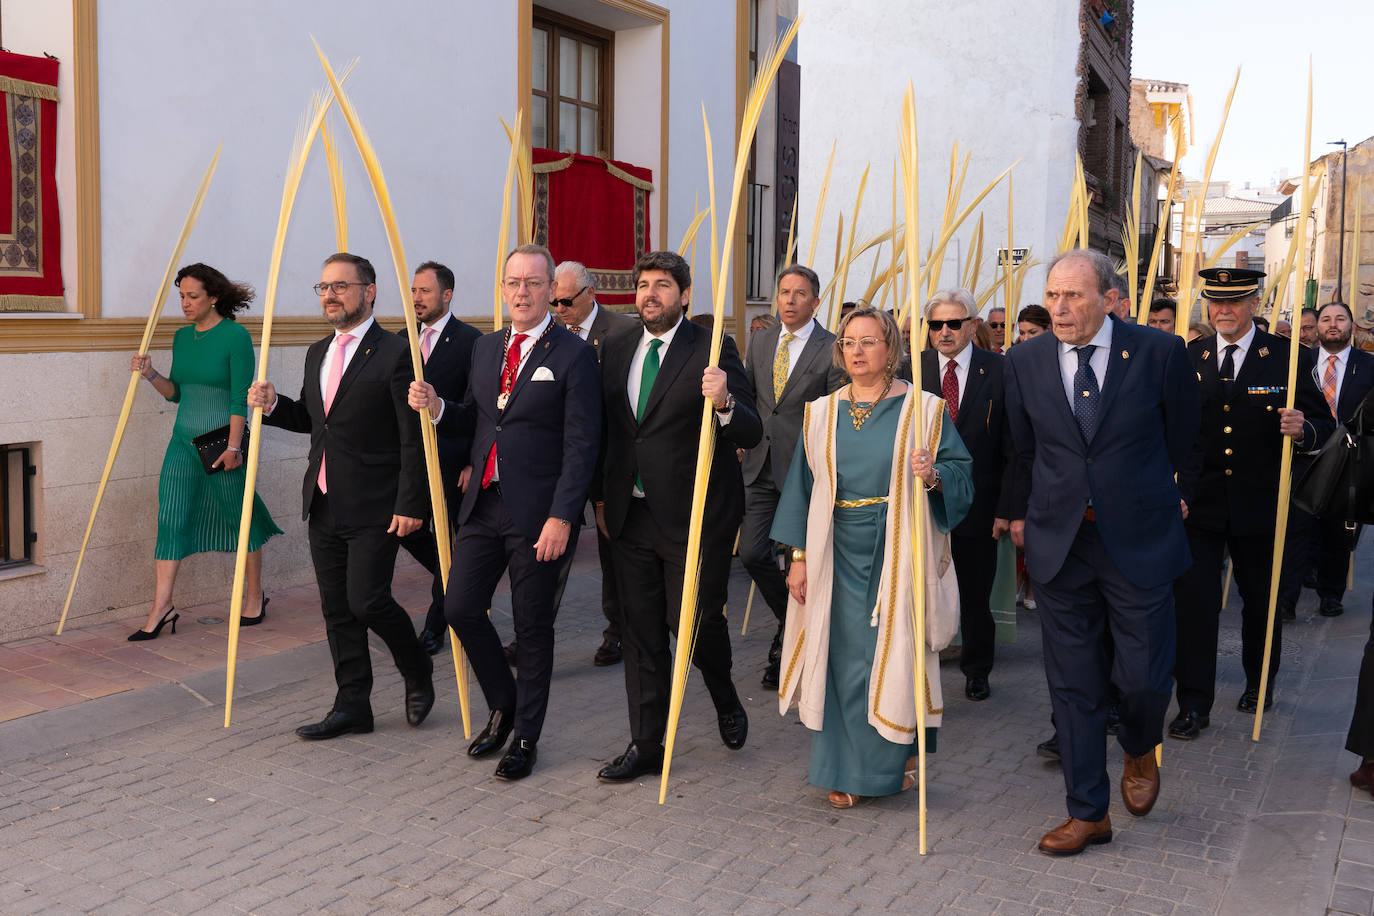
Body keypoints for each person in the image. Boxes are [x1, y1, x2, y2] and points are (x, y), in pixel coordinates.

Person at [1004, 249, 1201, 856]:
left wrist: (1179, 499)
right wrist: (1017, 516)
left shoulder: (1160, 354)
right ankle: (1088, 811)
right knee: (1073, 685)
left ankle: (1140, 746)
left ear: (1110, 299)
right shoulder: (1025, 360)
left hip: (1139, 541)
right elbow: (1023, 447)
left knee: (1142, 678)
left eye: (1074, 296)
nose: (1060, 308)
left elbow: (1185, 442)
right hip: (1060, 543)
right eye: (1053, 295)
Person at [408, 244, 601, 780]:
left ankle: (525, 738)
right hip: (484, 504)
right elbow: (481, 419)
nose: (523, 292)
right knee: (459, 608)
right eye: (514, 282)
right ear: (502, 288)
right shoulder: (487, 349)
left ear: (549, 291)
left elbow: (581, 444)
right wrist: (440, 407)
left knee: (533, 626)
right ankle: (504, 702)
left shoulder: (573, 354)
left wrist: (562, 517)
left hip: (540, 515)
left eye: (534, 283)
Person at [773, 305, 973, 808]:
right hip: (833, 548)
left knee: (887, 655)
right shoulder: (820, 413)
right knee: (839, 657)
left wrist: (932, 475)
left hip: (897, 547)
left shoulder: (923, 410)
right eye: (848, 342)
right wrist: (797, 556)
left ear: (892, 349)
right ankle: (841, 766)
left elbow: (963, 479)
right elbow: (802, 486)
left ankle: (885, 767)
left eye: (868, 341)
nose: (856, 351)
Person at [248, 252, 435, 740]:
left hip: (378, 503)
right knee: (336, 609)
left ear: (369, 292)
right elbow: (317, 422)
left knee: (368, 601)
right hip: (325, 501)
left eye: (341, 286)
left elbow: (412, 436)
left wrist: (411, 505)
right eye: (324, 287)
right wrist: (273, 407)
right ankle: (353, 704)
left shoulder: (397, 353)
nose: (330, 295)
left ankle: (417, 669)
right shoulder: (317, 352)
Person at [593, 250, 762, 783]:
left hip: (695, 517)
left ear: (684, 295)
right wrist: (600, 496)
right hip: (630, 516)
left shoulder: (713, 348)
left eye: (662, 285)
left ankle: (724, 693)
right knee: (642, 632)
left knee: (691, 624)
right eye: (643, 284)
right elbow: (609, 431)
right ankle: (647, 744)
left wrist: (726, 401)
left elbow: (751, 431)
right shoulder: (616, 346)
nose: (650, 294)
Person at [1170, 266, 1327, 742]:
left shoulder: (1285, 358)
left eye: (1234, 302)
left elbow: (1323, 424)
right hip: (1199, 506)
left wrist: (1304, 430)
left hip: (1263, 501)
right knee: (1194, 606)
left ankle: (1259, 685)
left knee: (1261, 600)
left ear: (1254, 304)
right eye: (1215, 301)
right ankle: (1194, 703)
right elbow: (1174, 432)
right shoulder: (1188, 356)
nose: (1224, 310)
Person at [128, 264, 282, 640]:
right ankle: (162, 606)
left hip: (219, 444)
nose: (185, 303)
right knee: (171, 518)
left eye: (192, 296)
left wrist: (234, 446)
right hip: (181, 443)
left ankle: (254, 594)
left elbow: (238, 399)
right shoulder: (181, 337)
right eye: (181, 295)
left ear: (214, 297)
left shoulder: (235, 337)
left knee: (239, 519)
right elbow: (177, 393)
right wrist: (150, 374)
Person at [740, 264, 845, 689]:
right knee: (751, 551)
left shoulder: (831, 347)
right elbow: (749, 395)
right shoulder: (761, 341)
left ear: (815, 302)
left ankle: (793, 648)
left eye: (800, 293)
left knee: (799, 563)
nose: (789, 300)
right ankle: (789, 622)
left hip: (805, 470)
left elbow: (837, 410)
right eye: (784, 292)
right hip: (758, 467)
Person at [919, 289, 1015, 701]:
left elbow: (1013, 445)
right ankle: (919, 669)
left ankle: (977, 670)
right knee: (921, 589)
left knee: (976, 594)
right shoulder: (912, 367)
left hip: (980, 503)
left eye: (953, 323)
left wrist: (1006, 509)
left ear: (972, 326)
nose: (944, 331)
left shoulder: (1000, 370)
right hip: (923, 503)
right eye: (936, 324)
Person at [548, 260, 639, 667]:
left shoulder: (623, 333)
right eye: (554, 301)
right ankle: (535, 633)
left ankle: (617, 633)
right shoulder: (549, 334)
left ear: (591, 292)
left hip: (607, 466)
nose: (560, 308)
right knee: (549, 552)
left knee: (613, 556)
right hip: (562, 466)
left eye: (567, 301)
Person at [399, 261, 482, 657]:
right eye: (414, 291)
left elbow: (479, 409)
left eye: (424, 292)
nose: (416, 298)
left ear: (446, 296)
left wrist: (472, 463)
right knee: (401, 529)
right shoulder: (399, 340)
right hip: (407, 464)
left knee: (449, 538)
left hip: (452, 461)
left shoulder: (471, 341)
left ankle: (436, 626)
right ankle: (460, 582)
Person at [1277, 301, 1374, 619]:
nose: (1333, 324)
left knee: (1340, 531)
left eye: (1340, 319)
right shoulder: (1297, 363)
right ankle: (1286, 599)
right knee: (1296, 531)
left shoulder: (1368, 365)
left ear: (1351, 326)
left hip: (1349, 463)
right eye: (1326, 319)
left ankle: (1331, 594)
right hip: (1304, 457)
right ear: (1317, 327)